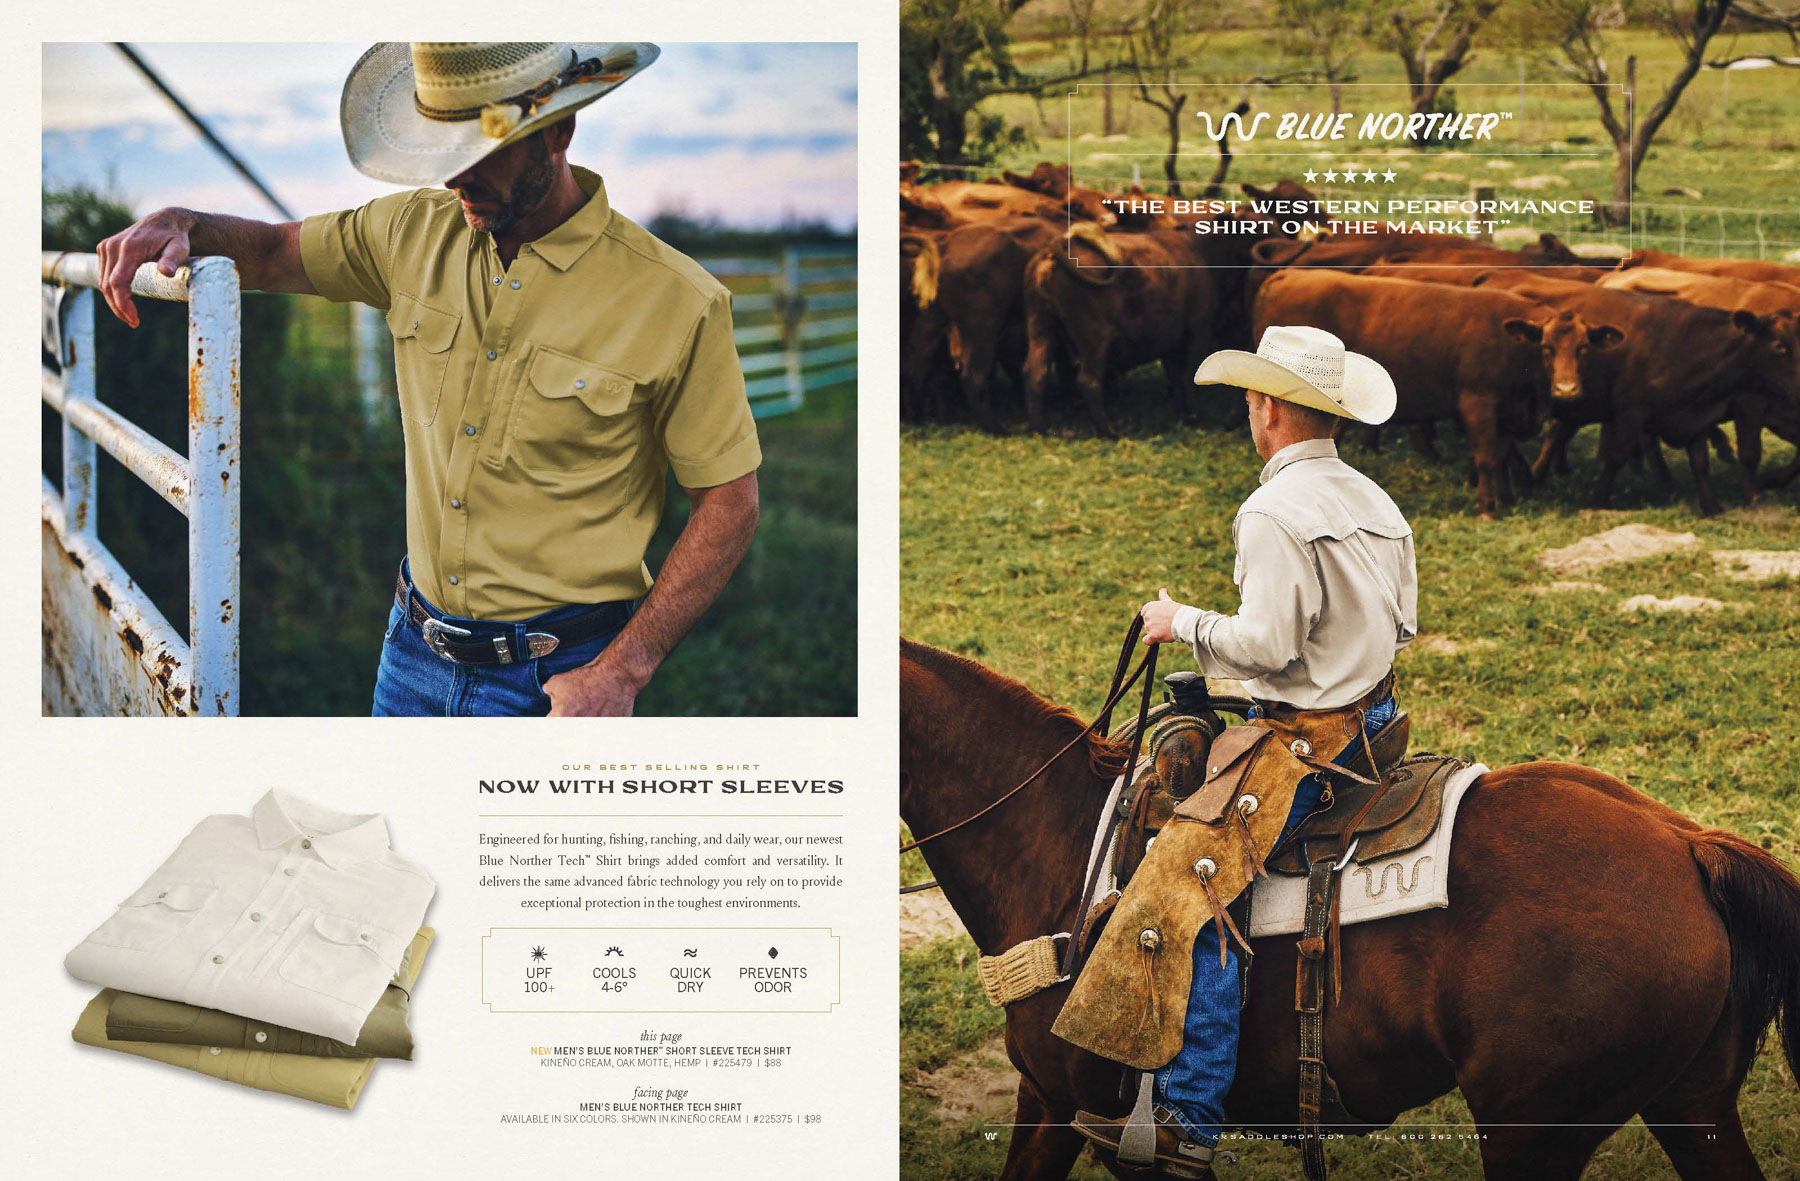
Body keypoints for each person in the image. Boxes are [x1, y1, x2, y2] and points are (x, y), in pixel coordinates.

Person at [93, 42, 761, 717]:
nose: (455, 178)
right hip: (411, 656)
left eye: (480, 148)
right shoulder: (409, 232)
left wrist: (623, 671)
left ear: (557, 132)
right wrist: (183, 223)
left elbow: (730, 502)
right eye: (443, 149)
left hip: (560, 682)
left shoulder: (676, 299)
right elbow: (272, 251)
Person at [1070, 324, 1418, 1177]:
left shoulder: (1271, 509)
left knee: (1192, 886)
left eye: (1250, 401)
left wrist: (1177, 621)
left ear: (1266, 408)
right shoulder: (1377, 501)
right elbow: (1402, 619)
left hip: (1305, 742)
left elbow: (1264, 644)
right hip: (1375, 724)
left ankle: (1187, 1120)